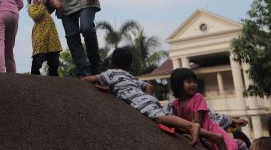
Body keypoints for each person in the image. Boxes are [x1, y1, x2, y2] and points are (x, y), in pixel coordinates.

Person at [82, 49, 227, 149]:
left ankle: (191, 126)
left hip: (141, 103)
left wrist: (82, 79)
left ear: (112, 61)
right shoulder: (129, 76)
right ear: (130, 64)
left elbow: (93, 78)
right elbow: (148, 86)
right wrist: (148, 98)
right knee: (171, 123)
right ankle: (211, 136)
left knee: (161, 118)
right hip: (147, 99)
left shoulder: (110, 74)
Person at [169, 68, 242, 150]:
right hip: (196, 131)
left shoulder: (197, 97)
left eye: (195, 82)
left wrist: (192, 135)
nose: (193, 84)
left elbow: (197, 122)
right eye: (189, 82)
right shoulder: (175, 103)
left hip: (208, 130)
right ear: (178, 84)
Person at [27, 0, 62, 76]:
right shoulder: (32, 7)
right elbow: (36, 16)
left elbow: (53, 4)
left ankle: (53, 79)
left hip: (51, 38)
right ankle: (34, 76)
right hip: (40, 39)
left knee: (54, 61)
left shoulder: (46, 8)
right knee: (38, 59)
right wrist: (42, 5)